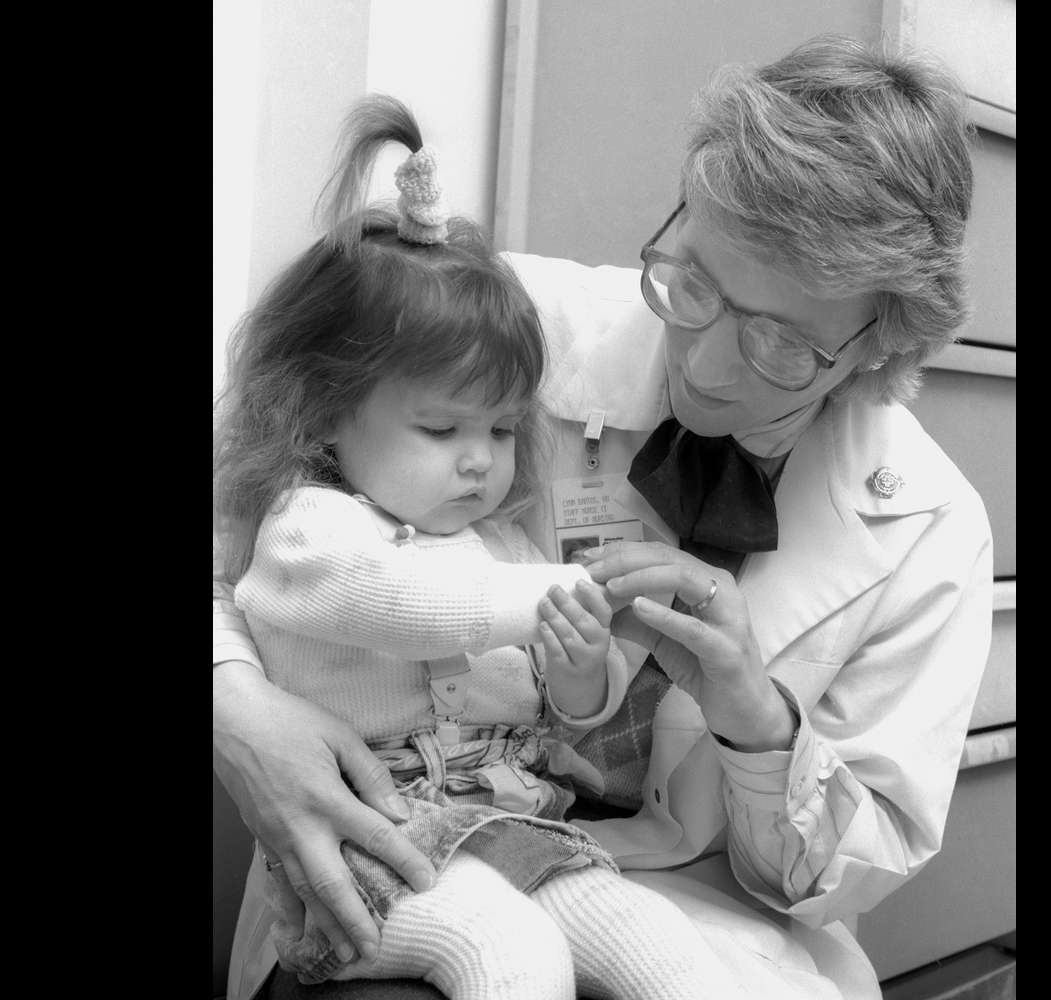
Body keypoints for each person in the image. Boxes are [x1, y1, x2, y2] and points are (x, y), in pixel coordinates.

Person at [214, 35, 994, 1000]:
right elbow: (249, 507)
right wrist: (234, 706)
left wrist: (758, 723)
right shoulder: (491, 323)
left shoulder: (930, 531)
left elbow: (846, 875)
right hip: (398, 853)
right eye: (695, 284)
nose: (704, 367)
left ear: (878, 348)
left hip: (706, 914)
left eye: (784, 347)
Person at [214, 96, 746, 1000]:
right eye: (440, 426)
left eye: (501, 429)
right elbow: (398, 605)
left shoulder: (497, 539)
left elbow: (559, 713)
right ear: (324, 410)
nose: (480, 460)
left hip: (513, 830)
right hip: (370, 846)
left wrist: (580, 673)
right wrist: (557, 596)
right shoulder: (310, 527)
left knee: (663, 946)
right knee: (509, 954)